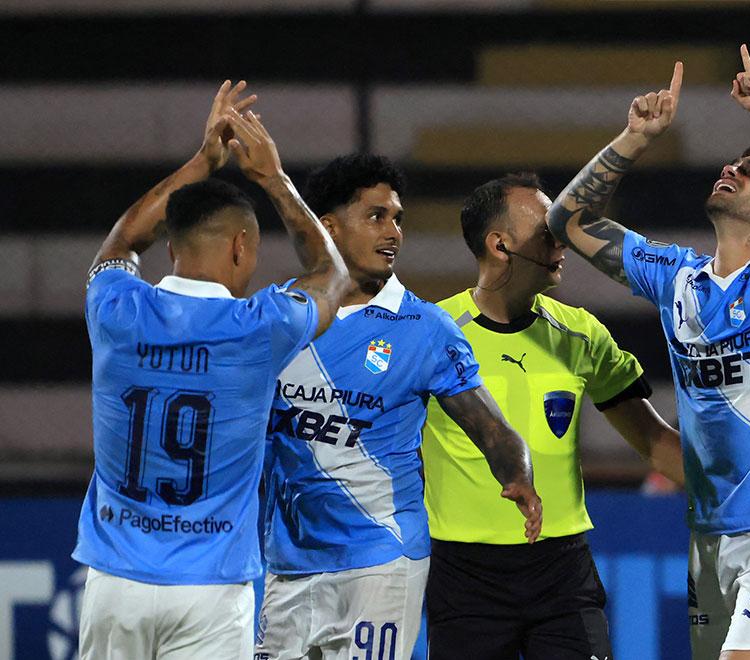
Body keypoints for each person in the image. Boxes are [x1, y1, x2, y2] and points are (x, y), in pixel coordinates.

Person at [547, 45, 750, 659]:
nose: (733, 169)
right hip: (711, 536)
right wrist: (634, 138)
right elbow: (565, 221)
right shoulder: (676, 278)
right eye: (734, 163)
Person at [73, 81, 351, 659]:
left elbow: (122, 242)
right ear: (241, 247)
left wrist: (202, 160)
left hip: (115, 583)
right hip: (211, 588)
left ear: (171, 248)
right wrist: (274, 178)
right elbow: (332, 275)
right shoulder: (259, 328)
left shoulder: (116, 309)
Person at [256, 155, 543, 660]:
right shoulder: (280, 316)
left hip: (382, 558)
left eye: (397, 218)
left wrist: (518, 474)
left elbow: (492, 428)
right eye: (375, 216)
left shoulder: (424, 329)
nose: (393, 232)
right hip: (289, 561)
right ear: (328, 227)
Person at [421, 172, 686, 659]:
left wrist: (735, 492)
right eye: (548, 231)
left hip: (562, 573)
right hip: (464, 577)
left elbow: (653, 441)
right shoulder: (432, 334)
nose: (562, 240)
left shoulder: (581, 333)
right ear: (500, 245)